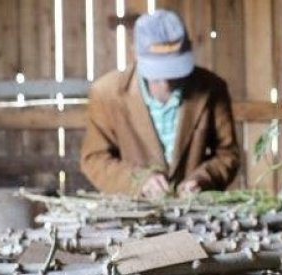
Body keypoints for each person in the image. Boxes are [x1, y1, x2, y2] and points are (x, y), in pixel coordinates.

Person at [80, 9, 240, 198]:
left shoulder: (212, 88)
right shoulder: (107, 94)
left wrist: (203, 180)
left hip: (195, 213)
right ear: (136, 54)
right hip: (133, 212)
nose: (165, 82)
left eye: (174, 70)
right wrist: (139, 181)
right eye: (157, 73)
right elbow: (94, 159)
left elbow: (228, 153)